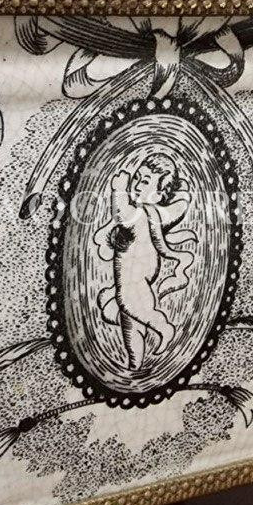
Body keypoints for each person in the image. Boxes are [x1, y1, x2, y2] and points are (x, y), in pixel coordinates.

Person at [94, 152, 195, 371]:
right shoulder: (150, 214)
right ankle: (134, 364)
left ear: (158, 194)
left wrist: (118, 189)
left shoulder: (139, 214)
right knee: (131, 326)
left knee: (129, 304)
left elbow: (121, 214)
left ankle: (164, 329)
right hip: (134, 276)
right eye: (137, 178)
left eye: (146, 181)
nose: (137, 185)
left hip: (135, 278)